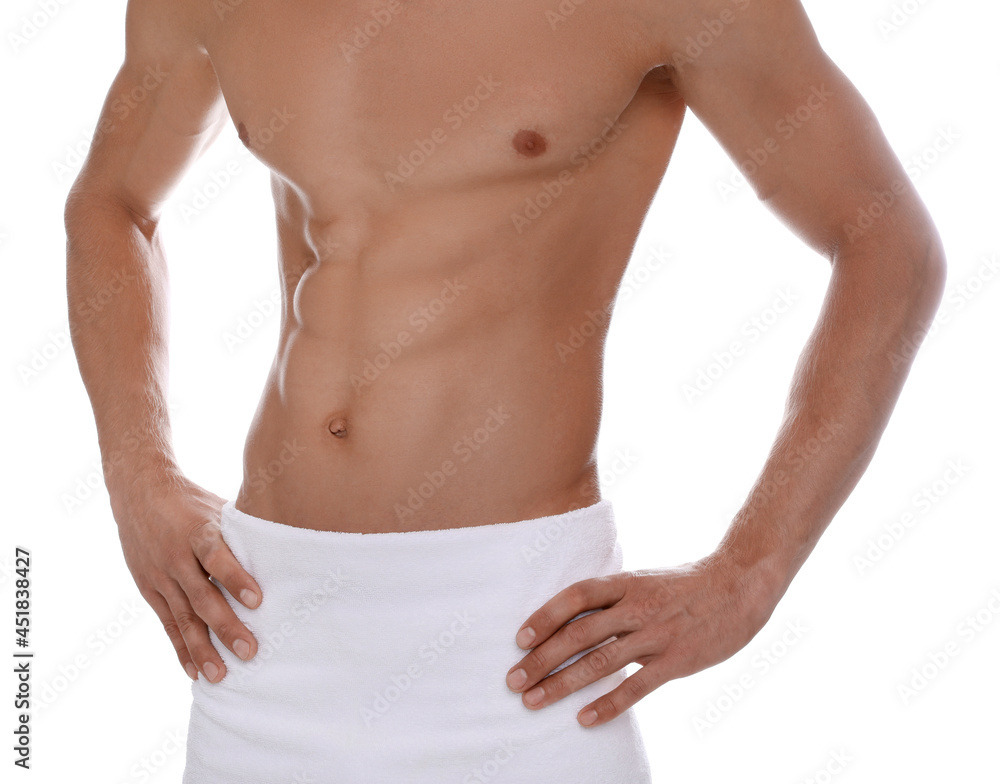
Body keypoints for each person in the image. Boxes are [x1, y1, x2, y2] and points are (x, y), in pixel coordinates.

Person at [64, 0, 945, 780]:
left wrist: (750, 573)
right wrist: (137, 473)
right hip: (261, 632)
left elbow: (887, 246)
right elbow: (111, 203)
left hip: (522, 647)